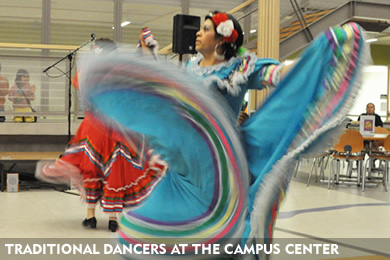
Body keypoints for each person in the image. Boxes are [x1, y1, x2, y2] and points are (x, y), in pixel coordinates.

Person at [40, 11, 369, 258]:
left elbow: (274, 75)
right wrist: (148, 59)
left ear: (223, 38)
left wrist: (302, 70)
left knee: (233, 227)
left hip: (222, 164)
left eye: (206, 29)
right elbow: (172, 95)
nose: (198, 34)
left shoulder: (240, 68)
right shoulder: (189, 69)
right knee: (141, 227)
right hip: (185, 166)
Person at [36, 38, 168, 232]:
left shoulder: (97, 73)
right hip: (111, 126)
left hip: (98, 127)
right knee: (112, 170)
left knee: (95, 169)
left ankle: (94, 216)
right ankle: (111, 218)